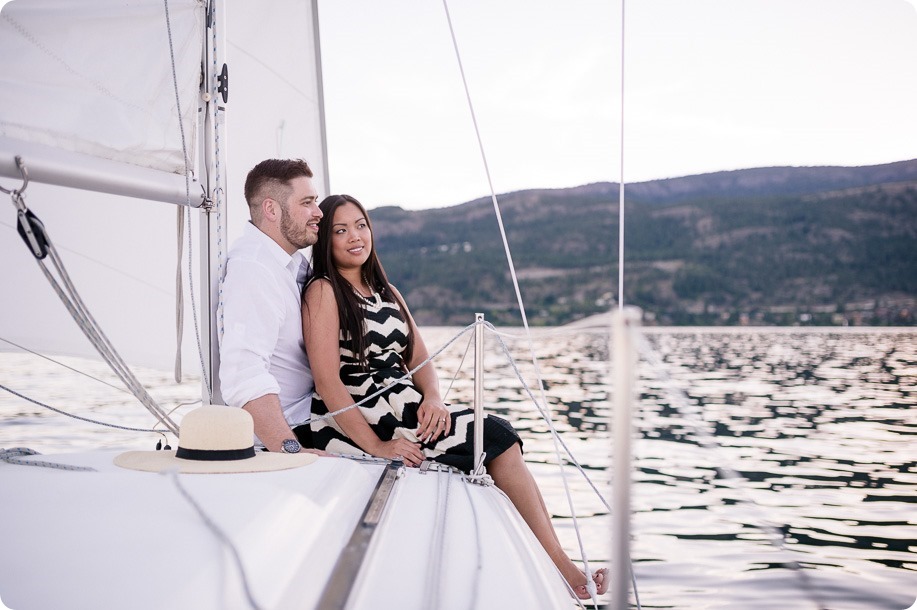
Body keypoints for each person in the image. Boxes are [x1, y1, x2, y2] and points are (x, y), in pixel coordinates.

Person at [301, 194, 607, 599]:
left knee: (498, 435)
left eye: (360, 225)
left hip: (404, 400)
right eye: (340, 230)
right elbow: (327, 381)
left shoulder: (385, 289)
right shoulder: (323, 290)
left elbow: (420, 357)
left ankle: (559, 561)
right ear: (325, 240)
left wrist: (434, 399)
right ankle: (563, 568)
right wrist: (377, 446)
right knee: (494, 435)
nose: (354, 236)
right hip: (359, 408)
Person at [218, 158, 324, 455]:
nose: (319, 212)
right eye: (307, 202)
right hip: (295, 429)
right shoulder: (254, 269)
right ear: (271, 209)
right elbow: (243, 374)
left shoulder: (288, 266)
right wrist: (289, 449)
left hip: (315, 415)